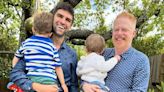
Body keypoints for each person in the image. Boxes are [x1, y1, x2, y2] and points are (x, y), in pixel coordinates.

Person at [9, 2, 78, 92]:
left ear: (70, 26)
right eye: (60, 16)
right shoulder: (32, 45)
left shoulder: (72, 55)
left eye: (68, 20)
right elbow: (15, 73)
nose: (63, 22)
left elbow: (73, 86)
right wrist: (35, 86)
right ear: (52, 17)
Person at [82, 11, 150, 92]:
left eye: (124, 30)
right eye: (116, 29)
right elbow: (86, 72)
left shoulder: (141, 60)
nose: (119, 33)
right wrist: (84, 85)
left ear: (133, 33)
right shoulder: (102, 53)